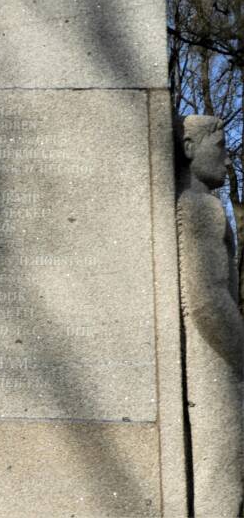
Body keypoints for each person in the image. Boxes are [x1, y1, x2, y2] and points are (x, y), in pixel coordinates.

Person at [175, 114, 243, 517]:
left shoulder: (198, 206)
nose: (228, 160)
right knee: (223, 468)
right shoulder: (203, 209)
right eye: (219, 148)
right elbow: (207, 301)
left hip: (213, 361)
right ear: (188, 149)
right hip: (216, 363)